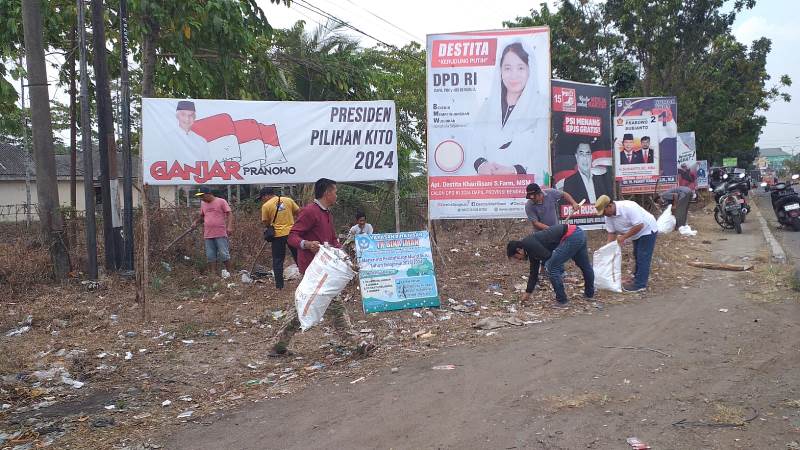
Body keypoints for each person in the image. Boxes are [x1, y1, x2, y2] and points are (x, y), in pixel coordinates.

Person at [271, 178, 366, 356]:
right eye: (335, 191)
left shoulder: (327, 214)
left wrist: (345, 259)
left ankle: (278, 345)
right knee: (335, 306)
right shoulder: (309, 212)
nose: (336, 195)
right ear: (326, 193)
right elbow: (292, 236)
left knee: (302, 306)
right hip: (313, 271)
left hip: (326, 270)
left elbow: (333, 241)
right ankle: (358, 344)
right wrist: (306, 244)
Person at [470, 42, 548, 178]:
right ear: (500, 71)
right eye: (507, 68)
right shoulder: (488, 106)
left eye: (520, 68)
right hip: (487, 190)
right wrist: (481, 164)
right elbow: (474, 143)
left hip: (525, 191)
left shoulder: (541, 106)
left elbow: (542, 154)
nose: (514, 75)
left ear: (530, 70)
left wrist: (514, 169)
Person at [507, 224, 594, 307]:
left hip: (571, 236)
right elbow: (533, 273)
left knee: (551, 267)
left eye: (516, 257)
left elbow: (548, 257)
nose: (519, 260)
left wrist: (561, 273)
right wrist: (528, 292)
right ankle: (589, 294)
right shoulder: (529, 248)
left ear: (519, 250)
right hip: (578, 233)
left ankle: (562, 300)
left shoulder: (529, 244)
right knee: (584, 265)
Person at [595, 195, 658, 292]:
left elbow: (639, 225)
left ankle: (640, 284)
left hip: (647, 230)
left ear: (610, 205)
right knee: (636, 254)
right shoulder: (609, 217)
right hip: (636, 234)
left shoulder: (628, 207)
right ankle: (637, 277)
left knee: (643, 256)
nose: (604, 214)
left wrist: (624, 237)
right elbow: (612, 233)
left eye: (604, 211)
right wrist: (607, 250)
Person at [259, 187, 300, 290]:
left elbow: (265, 222)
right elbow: (299, 212)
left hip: (277, 236)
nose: (263, 200)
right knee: (298, 257)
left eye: (262, 198)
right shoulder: (288, 200)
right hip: (292, 233)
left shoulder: (266, 206)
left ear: (266, 195)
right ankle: (306, 280)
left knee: (278, 261)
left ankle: (279, 286)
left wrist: (271, 225)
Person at [192, 186, 233, 278]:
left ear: (208, 194)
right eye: (200, 197)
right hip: (208, 234)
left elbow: (229, 213)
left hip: (220, 232)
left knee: (224, 254)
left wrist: (229, 227)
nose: (201, 198)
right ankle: (213, 275)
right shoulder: (203, 203)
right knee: (210, 255)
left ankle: (230, 273)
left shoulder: (221, 201)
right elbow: (202, 217)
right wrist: (195, 222)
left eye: (202, 196)